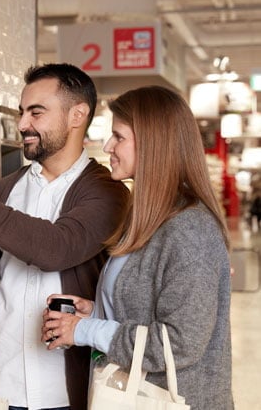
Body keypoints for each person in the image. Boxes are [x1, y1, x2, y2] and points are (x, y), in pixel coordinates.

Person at [0, 63, 130, 410]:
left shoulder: (108, 193)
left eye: (36, 113)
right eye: (21, 112)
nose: (22, 124)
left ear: (77, 115)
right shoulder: (4, 190)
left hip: (64, 392)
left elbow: (55, 248)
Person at [41, 85, 233, 410]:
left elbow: (180, 344)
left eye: (118, 137)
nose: (107, 146)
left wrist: (88, 330)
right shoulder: (149, 218)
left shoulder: (189, 229)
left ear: (153, 145)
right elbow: (149, 312)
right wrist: (99, 310)